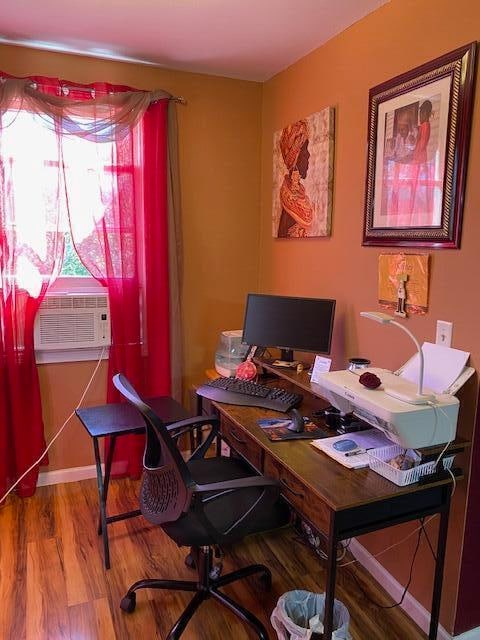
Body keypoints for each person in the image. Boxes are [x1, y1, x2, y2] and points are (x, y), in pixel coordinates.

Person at [277, 119, 314, 238]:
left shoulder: (296, 196)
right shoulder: (290, 205)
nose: (308, 155)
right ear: (294, 157)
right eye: (304, 149)